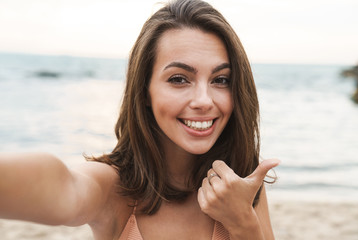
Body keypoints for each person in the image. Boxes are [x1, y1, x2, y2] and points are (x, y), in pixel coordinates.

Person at [0, 0, 280, 239]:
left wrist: (243, 223)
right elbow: (64, 185)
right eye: (179, 79)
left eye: (221, 80)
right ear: (144, 91)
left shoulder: (240, 177)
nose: (204, 100)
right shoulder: (113, 188)